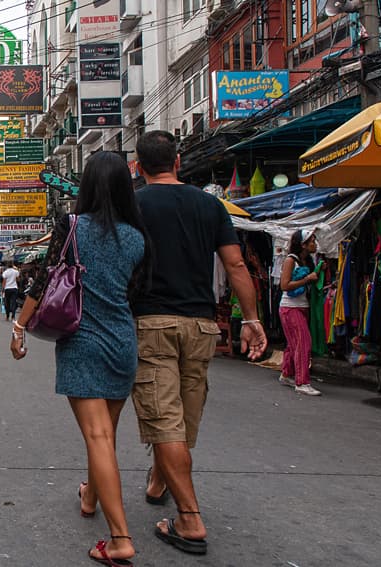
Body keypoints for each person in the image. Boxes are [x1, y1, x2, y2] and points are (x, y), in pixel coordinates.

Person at [131, 131, 267, 556]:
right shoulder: (209, 204)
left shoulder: (132, 204)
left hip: (151, 323)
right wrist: (252, 319)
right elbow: (235, 263)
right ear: (177, 160)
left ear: (138, 167)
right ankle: (158, 481)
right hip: (202, 326)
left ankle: (189, 520)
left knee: (164, 418)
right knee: (184, 417)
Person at [10, 151, 148, 566]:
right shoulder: (137, 237)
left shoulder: (71, 227)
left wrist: (19, 329)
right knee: (104, 434)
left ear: (86, 186)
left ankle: (120, 538)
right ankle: (90, 496)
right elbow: (133, 295)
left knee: (98, 437)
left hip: (83, 342)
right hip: (123, 344)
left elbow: (43, 278)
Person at [278, 229, 322, 396]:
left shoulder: (307, 261)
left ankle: (286, 374)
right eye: (312, 241)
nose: (315, 244)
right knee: (304, 342)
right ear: (303, 244)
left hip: (301, 307)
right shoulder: (291, 260)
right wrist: (307, 279)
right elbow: (284, 285)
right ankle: (302, 382)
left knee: (293, 343)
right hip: (290, 308)